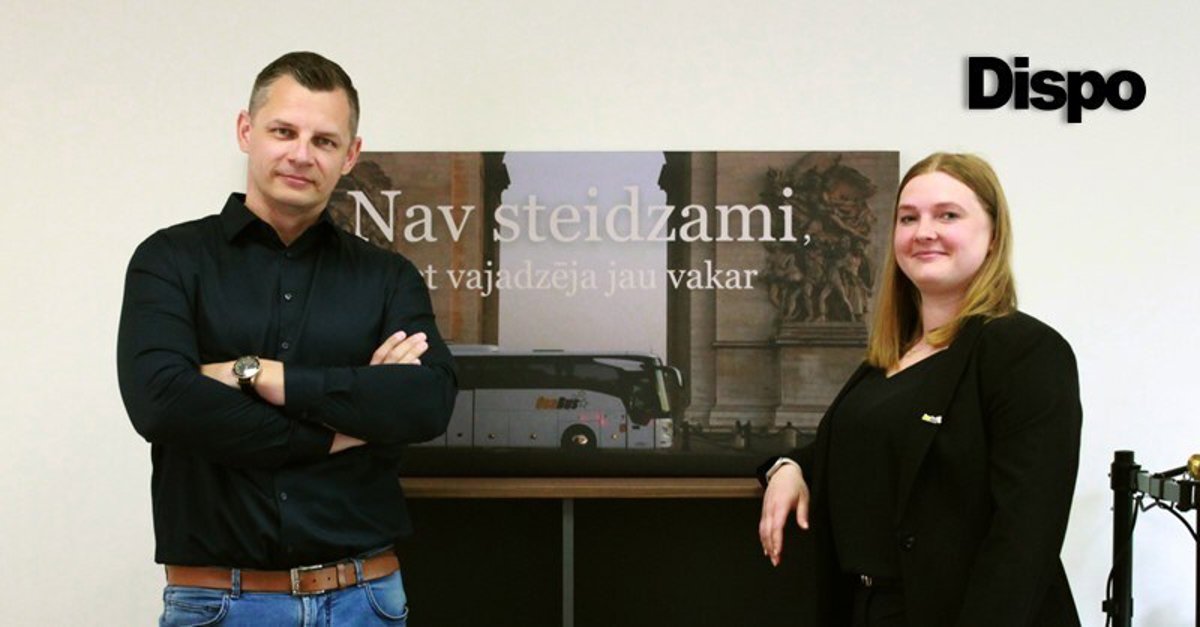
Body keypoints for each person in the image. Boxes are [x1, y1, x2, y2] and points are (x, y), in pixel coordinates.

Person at [117, 51, 456, 626]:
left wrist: (259, 375)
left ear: (350, 155)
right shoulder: (170, 259)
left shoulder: (388, 278)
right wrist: (341, 426)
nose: (302, 154)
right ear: (246, 131)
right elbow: (162, 401)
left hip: (364, 600)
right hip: (220, 604)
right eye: (283, 131)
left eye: (324, 141)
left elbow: (427, 401)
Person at [757, 153, 1082, 627]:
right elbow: (860, 454)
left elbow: (1024, 540)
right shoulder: (887, 359)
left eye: (947, 215)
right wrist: (788, 468)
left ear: (993, 235)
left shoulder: (1025, 352)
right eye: (908, 218)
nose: (924, 231)